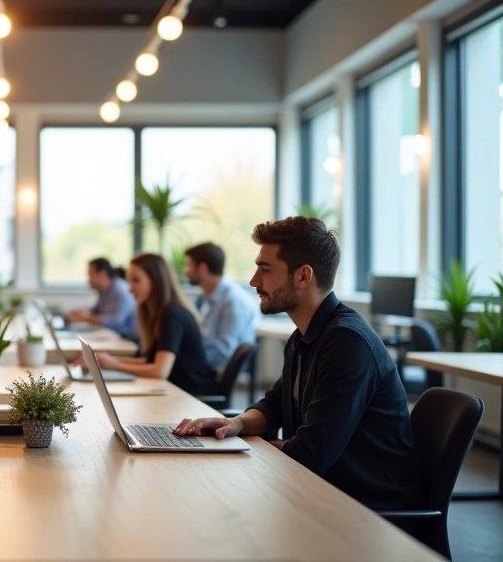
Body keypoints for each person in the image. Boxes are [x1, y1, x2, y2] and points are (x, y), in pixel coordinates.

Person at [174, 217, 422, 510]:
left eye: (265, 270)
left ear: (303, 277)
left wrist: (245, 444)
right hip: (319, 493)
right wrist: (235, 424)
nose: (254, 281)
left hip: (364, 512)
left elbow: (309, 454)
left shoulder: (346, 342)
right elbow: (275, 405)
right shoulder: (304, 335)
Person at [75, 253, 219, 395]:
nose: (130, 288)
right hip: (174, 392)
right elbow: (147, 361)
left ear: (156, 281)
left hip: (194, 398)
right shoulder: (157, 313)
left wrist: (113, 364)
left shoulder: (172, 314)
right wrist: (108, 360)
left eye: (136, 280)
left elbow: (160, 370)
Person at [184, 242, 259, 370]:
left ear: (202, 267)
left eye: (189, 265)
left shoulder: (233, 301)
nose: (186, 271)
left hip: (216, 372)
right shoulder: (209, 297)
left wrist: (188, 356)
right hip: (206, 365)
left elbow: (224, 353)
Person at [66, 257, 136, 336]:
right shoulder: (104, 291)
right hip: (111, 336)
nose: (89, 279)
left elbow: (116, 322)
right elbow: (96, 310)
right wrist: (79, 312)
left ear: (102, 274)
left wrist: (87, 318)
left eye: (90, 275)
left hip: (126, 338)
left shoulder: (121, 291)